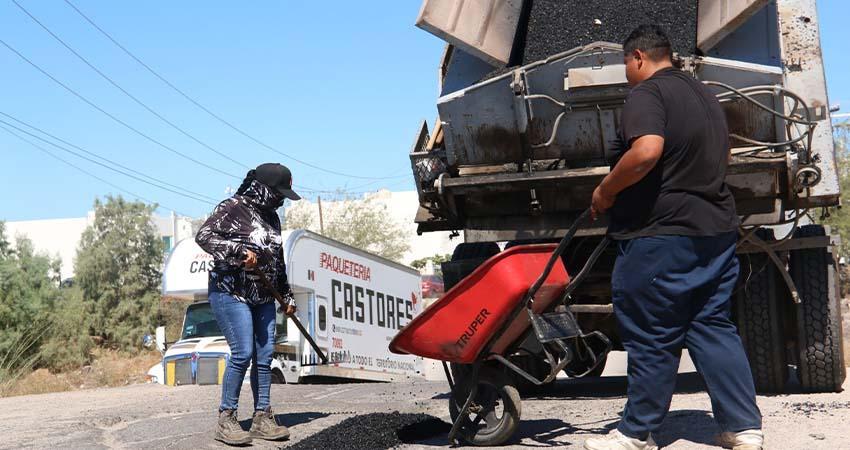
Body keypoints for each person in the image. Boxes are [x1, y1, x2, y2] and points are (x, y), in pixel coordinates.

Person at [583, 25, 764, 450]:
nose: (626, 72)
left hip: (660, 235)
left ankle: (636, 432)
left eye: (626, 64)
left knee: (651, 330)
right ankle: (743, 428)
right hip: (715, 231)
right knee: (712, 326)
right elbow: (725, 156)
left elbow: (646, 151)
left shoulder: (647, 94)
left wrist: (605, 190)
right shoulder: (705, 96)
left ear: (639, 58)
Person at [196, 163, 300, 446]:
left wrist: (288, 298)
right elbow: (204, 236)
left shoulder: (273, 219)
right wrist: (239, 251)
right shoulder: (233, 207)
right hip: (231, 292)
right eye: (278, 193)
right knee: (242, 352)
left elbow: (277, 265)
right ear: (263, 188)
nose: (280, 200)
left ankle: (262, 417)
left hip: (263, 296)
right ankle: (226, 418)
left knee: (264, 356)